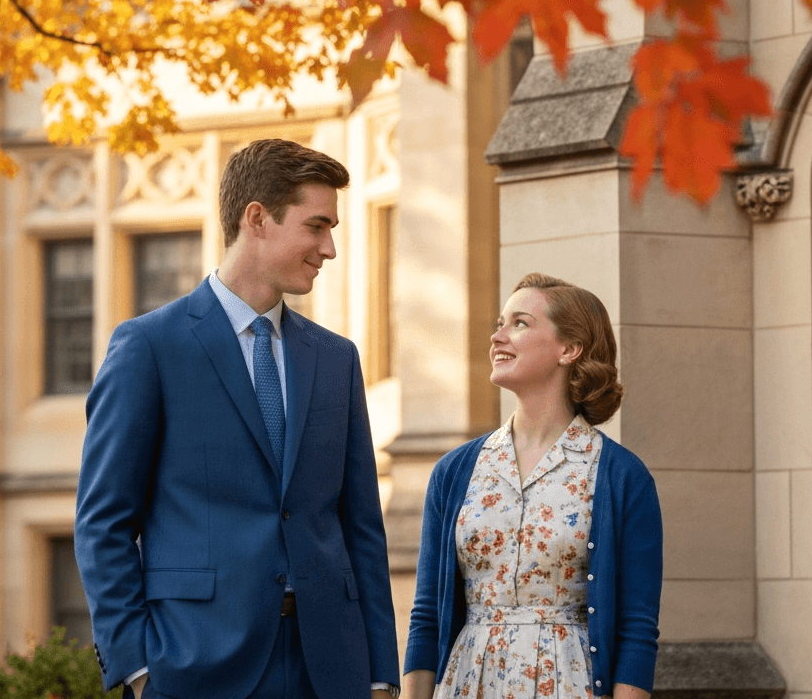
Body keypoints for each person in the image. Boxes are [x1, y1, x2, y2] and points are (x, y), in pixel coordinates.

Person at [75, 139, 400, 699]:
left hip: (328, 669)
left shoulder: (336, 358)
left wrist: (378, 673)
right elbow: (102, 523)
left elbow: (361, 529)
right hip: (194, 664)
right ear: (257, 219)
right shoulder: (148, 347)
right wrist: (138, 667)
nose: (330, 248)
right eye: (317, 226)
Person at [402, 273, 663, 699]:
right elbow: (427, 615)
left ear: (569, 348)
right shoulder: (455, 471)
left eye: (519, 323)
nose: (497, 336)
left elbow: (636, 628)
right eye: (499, 323)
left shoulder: (621, 477)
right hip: (469, 683)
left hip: (569, 684)